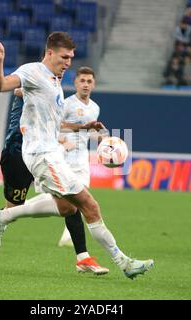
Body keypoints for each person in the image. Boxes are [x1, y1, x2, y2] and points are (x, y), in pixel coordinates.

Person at [0, 31, 154, 279]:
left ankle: (1, 216)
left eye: (71, 58)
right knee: (89, 205)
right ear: (50, 52)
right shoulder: (32, 72)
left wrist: (84, 128)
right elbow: (0, 86)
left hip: (48, 154)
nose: (68, 63)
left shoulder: (54, 81)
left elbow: (54, 123)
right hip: (43, 156)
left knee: (66, 208)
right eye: (64, 57)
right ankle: (124, 262)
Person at [0, 79, 109, 274]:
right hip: (17, 151)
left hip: (44, 155)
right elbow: (16, 90)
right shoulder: (33, 80)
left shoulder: (55, 94)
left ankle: (83, 257)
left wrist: (86, 129)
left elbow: (57, 124)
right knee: (14, 206)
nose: (62, 69)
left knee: (72, 199)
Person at [56, 66, 108, 249]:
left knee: (80, 199)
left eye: (89, 81)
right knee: (68, 201)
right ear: (75, 82)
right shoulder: (66, 104)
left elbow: (89, 133)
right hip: (63, 158)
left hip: (82, 160)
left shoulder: (95, 108)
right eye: (82, 81)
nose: (86, 84)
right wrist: (62, 142)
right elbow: (53, 126)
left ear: (94, 84)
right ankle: (13, 212)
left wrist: (102, 139)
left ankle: (67, 236)